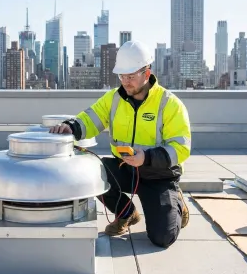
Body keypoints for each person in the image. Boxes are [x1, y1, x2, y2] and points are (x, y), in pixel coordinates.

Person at [50, 40, 191, 248]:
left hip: (158, 175)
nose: (125, 81)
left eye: (131, 76)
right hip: (126, 168)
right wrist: (71, 127)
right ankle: (126, 214)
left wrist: (147, 158)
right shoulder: (113, 99)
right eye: (122, 76)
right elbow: (90, 119)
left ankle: (176, 203)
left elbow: (181, 148)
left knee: (162, 238)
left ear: (146, 72)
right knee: (89, 172)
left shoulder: (169, 104)